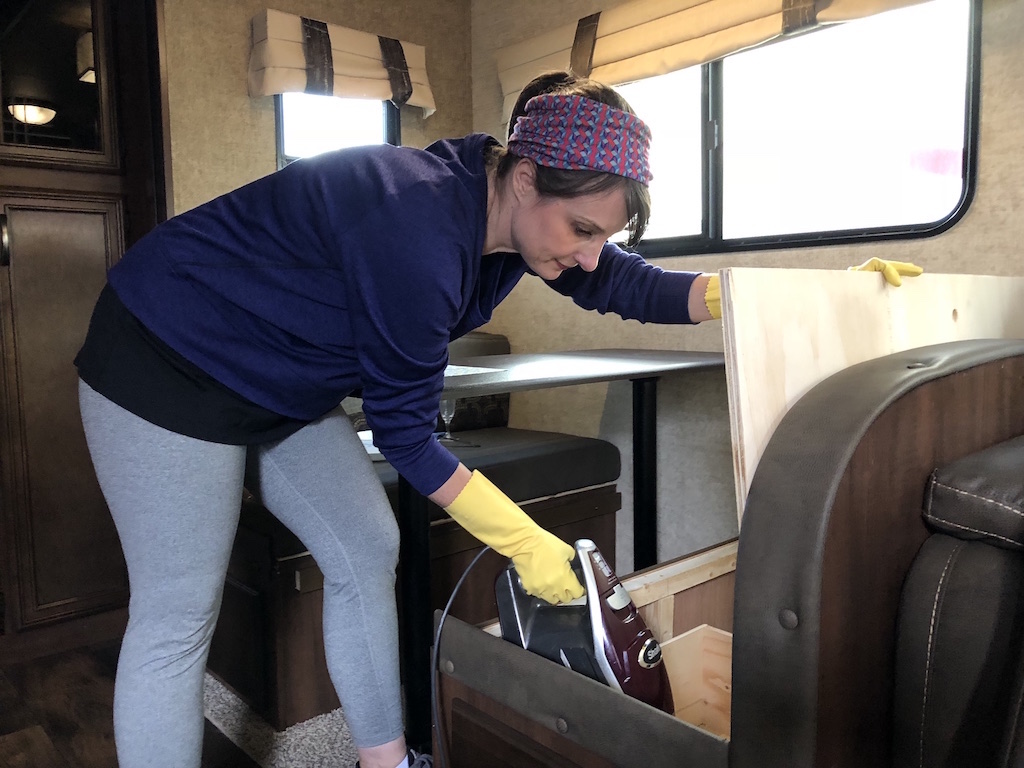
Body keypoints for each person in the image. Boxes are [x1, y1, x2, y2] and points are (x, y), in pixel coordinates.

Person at [74, 69, 920, 768]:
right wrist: (523, 541)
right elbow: (404, 432)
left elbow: (620, 281)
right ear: (523, 176)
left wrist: (778, 297)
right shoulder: (415, 221)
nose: (587, 253)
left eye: (602, 234)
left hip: (280, 384)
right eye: (581, 229)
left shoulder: (516, 227)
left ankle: (383, 761)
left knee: (367, 547)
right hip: (164, 356)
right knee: (178, 614)